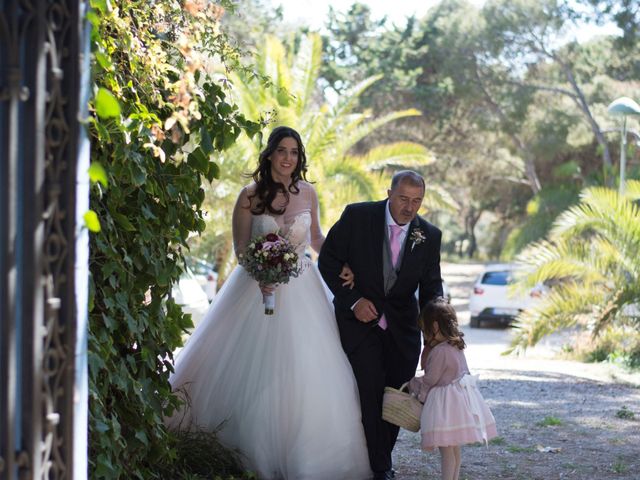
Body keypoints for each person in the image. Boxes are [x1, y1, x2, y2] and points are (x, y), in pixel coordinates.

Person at [168, 126, 371, 480]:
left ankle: (310, 454)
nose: (288, 158)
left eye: (294, 152)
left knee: (308, 367)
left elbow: (317, 237)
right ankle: (240, 449)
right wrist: (262, 272)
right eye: (282, 151)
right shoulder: (249, 195)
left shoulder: (308, 192)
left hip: (304, 288)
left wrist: (344, 266)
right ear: (270, 154)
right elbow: (241, 248)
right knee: (248, 366)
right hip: (255, 287)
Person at [318, 170, 444, 480]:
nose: (409, 208)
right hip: (359, 323)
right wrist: (354, 300)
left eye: (417, 201)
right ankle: (380, 468)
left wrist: (437, 333)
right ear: (389, 193)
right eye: (403, 199)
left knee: (396, 396)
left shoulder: (429, 235)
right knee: (371, 390)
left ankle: (379, 458)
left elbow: (432, 288)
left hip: (404, 329)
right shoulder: (358, 216)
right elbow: (329, 261)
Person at [409, 299, 497, 480]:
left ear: (433, 327)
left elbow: (431, 378)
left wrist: (415, 387)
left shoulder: (440, 351)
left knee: (446, 452)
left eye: (424, 328)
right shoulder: (455, 346)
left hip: (445, 407)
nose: (423, 333)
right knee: (454, 449)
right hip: (459, 403)